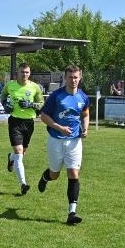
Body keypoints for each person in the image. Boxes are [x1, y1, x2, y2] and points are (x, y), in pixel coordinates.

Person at [37, 65, 90, 225]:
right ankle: (46, 177)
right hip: (55, 139)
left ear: (80, 78)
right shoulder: (56, 96)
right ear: (65, 78)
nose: (73, 80)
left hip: (74, 141)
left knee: (73, 173)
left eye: (76, 77)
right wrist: (59, 127)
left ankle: (72, 212)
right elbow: (44, 115)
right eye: (70, 77)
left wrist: (85, 128)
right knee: (55, 174)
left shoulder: (83, 97)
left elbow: (85, 113)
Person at [0, 63, 44, 195]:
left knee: (22, 153)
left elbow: (41, 103)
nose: (24, 74)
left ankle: (11, 157)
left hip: (29, 122)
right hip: (14, 121)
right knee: (19, 153)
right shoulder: (10, 85)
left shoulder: (35, 87)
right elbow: (2, 97)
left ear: (29, 73)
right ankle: (23, 184)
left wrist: (31, 104)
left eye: (27, 72)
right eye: (22, 72)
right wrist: (5, 106)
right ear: (17, 73)